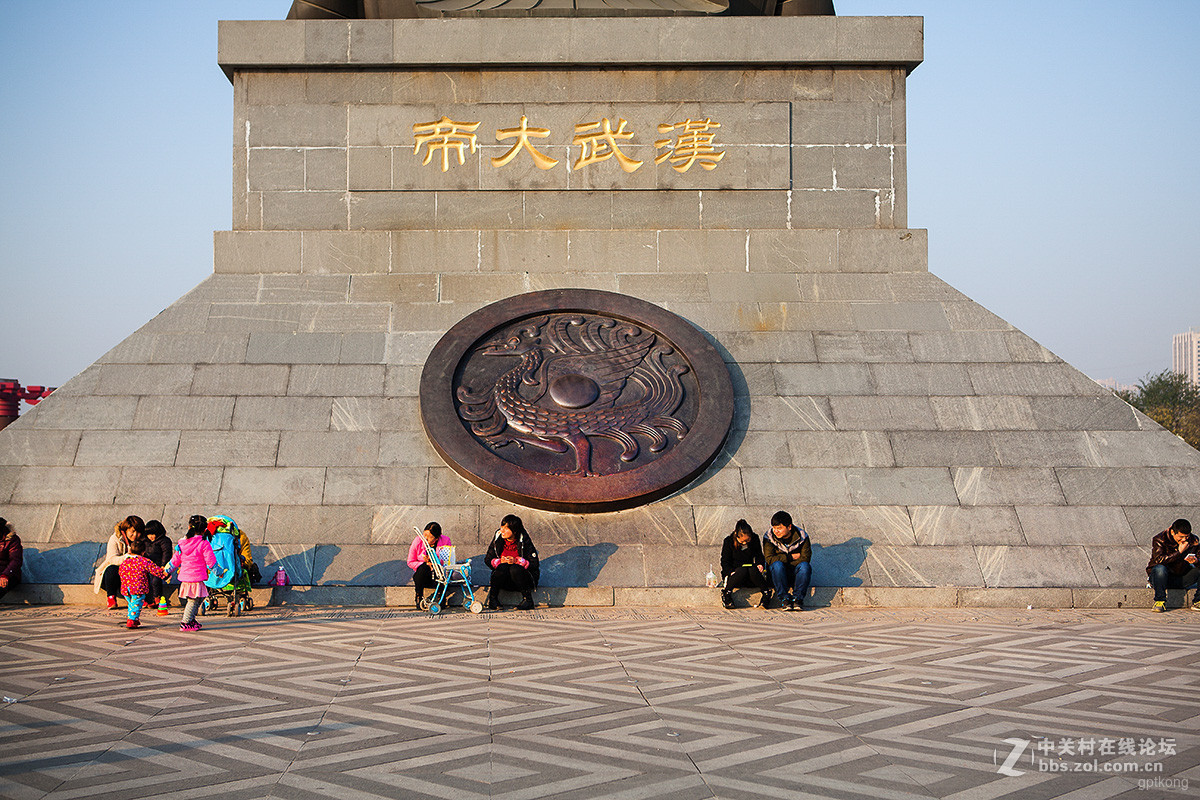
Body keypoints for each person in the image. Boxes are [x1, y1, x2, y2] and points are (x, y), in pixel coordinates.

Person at [165, 515, 217, 632]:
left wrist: (167, 570)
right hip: (195, 577)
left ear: (189, 527)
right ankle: (185, 622)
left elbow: (175, 560)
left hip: (187, 577)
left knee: (200, 597)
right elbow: (211, 561)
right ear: (204, 530)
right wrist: (218, 572)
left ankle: (191, 620)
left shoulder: (182, 544)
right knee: (193, 601)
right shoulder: (204, 543)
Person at [484, 514, 540, 611]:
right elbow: (488, 559)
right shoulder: (498, 537)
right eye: (502, 527)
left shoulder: (524, 539)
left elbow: (534, 563)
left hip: (522, 580)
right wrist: (500, 561)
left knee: (515, 568)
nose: (502, 530)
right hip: (504, 580)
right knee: (503, 567)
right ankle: (493, 600)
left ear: (514, 531)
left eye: (506, 528)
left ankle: (528, 600)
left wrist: (518, 561)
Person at [762, 510, 812, 611]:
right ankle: (784, 599)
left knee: (805, 567)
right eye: (774, 528)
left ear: (789, 527)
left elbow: (805, 558)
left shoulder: (802, 536)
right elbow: (769, 559)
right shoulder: (769, 537)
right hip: (777, 574)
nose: (776, 531)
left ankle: (797, 599)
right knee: (777, 565)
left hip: (794, 572)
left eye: (779, 528)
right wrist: (790, 557)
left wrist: (782, 559)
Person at [1146, 518, 1199, 613]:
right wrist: (1179, 552)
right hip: (1160, 578)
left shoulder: (1193, 540)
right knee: (1160, 569)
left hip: (1181, 577)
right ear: (1173, 532)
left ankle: (1197, 601)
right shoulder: (1160, 539)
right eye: (1181, 537)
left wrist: (1196, 561)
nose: (1184, 540)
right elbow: (1159, 560)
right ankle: (1160, 601)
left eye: (1186, 537)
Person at [93, 516, 145, 609]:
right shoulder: (115, 538)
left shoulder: (143, 540)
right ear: (126, 529)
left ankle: (137, 597)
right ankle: (111, 597)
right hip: (114, 576)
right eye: (132, 531)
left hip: (133, 576)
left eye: (138, 532)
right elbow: (111, 559)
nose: (135, 535)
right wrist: (127, 557)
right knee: (111, 569)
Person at [117, 539, 170, 629]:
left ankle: (133, 618)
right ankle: (132, 620)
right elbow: (155, 570)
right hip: (137, 588)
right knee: (136, 604)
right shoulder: (144, 561)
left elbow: (120, 572)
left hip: (126, 588)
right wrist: (165, 576)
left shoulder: (125, 562)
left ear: (130, 550)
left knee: (131, 604)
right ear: (143, 552)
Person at [719, 519, 771, 609]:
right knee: (742, 571)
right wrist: (730, 572)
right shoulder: (728, 541)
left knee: (752, 569)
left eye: (747, 541)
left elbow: (759, 555)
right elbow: (725, 561)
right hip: (736, 574)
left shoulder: (754, 539)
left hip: (750, 573)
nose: (745, 543)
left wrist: (760, 564)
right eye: (742, 541)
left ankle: (766, 593)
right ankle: (727, 593)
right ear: (736, 535)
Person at [407, 522, 452, 608]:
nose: (425, 539)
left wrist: (435, 562)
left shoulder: (445, 540)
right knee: (423, 568)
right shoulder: (418, 540)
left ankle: (441, 597)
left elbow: (447, 561)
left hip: (438, 575)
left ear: (437, 538)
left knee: (442, 570)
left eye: (429, 537)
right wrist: (425, 563)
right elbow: (410, 561)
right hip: (423, 575)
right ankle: (419, 596)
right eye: (424, 535)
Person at [143, 520, 173, 609]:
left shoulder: (164, 541)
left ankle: (157, 598)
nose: (151, 537)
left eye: (152, 534)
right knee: (144, 579)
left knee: (155, 580)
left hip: (159, 566)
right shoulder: (145, 541)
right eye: (149, 534)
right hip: (147, 565)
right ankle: (145, 599)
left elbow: (166, 554)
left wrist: (163, 565)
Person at [0, 517, 22, 601]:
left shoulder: (12, 540)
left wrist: (5, 575)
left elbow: (16, 560)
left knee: (2, 583)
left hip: (8, 574)